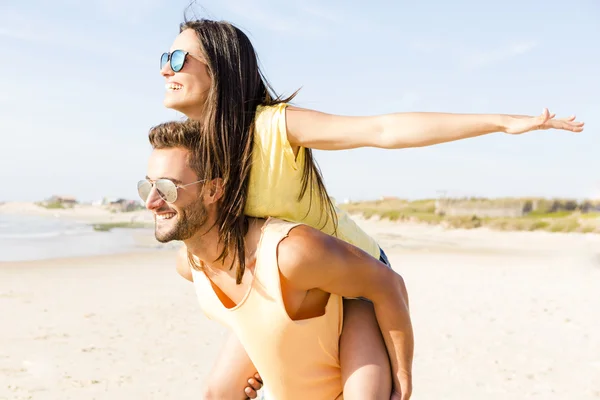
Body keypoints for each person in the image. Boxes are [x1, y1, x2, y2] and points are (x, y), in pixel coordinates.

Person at [158, 17, 584, 398]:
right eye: (165, 57)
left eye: (178, 58)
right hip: (284, 286)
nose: (165, 68)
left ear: (221, 68)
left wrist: (502, 123)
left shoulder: (273, 126)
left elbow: (381, 129)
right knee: (219, 392)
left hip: (355, 279)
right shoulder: (194, 155)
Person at [140, 120, 414, 400]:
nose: (151, 202)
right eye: (147, 186)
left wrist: (402, 376)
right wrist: (259, 356)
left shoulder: (289, 252)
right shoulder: (189, 266)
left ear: (213, 190)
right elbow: (261, 316)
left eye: (167, 188)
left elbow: (388, 284)